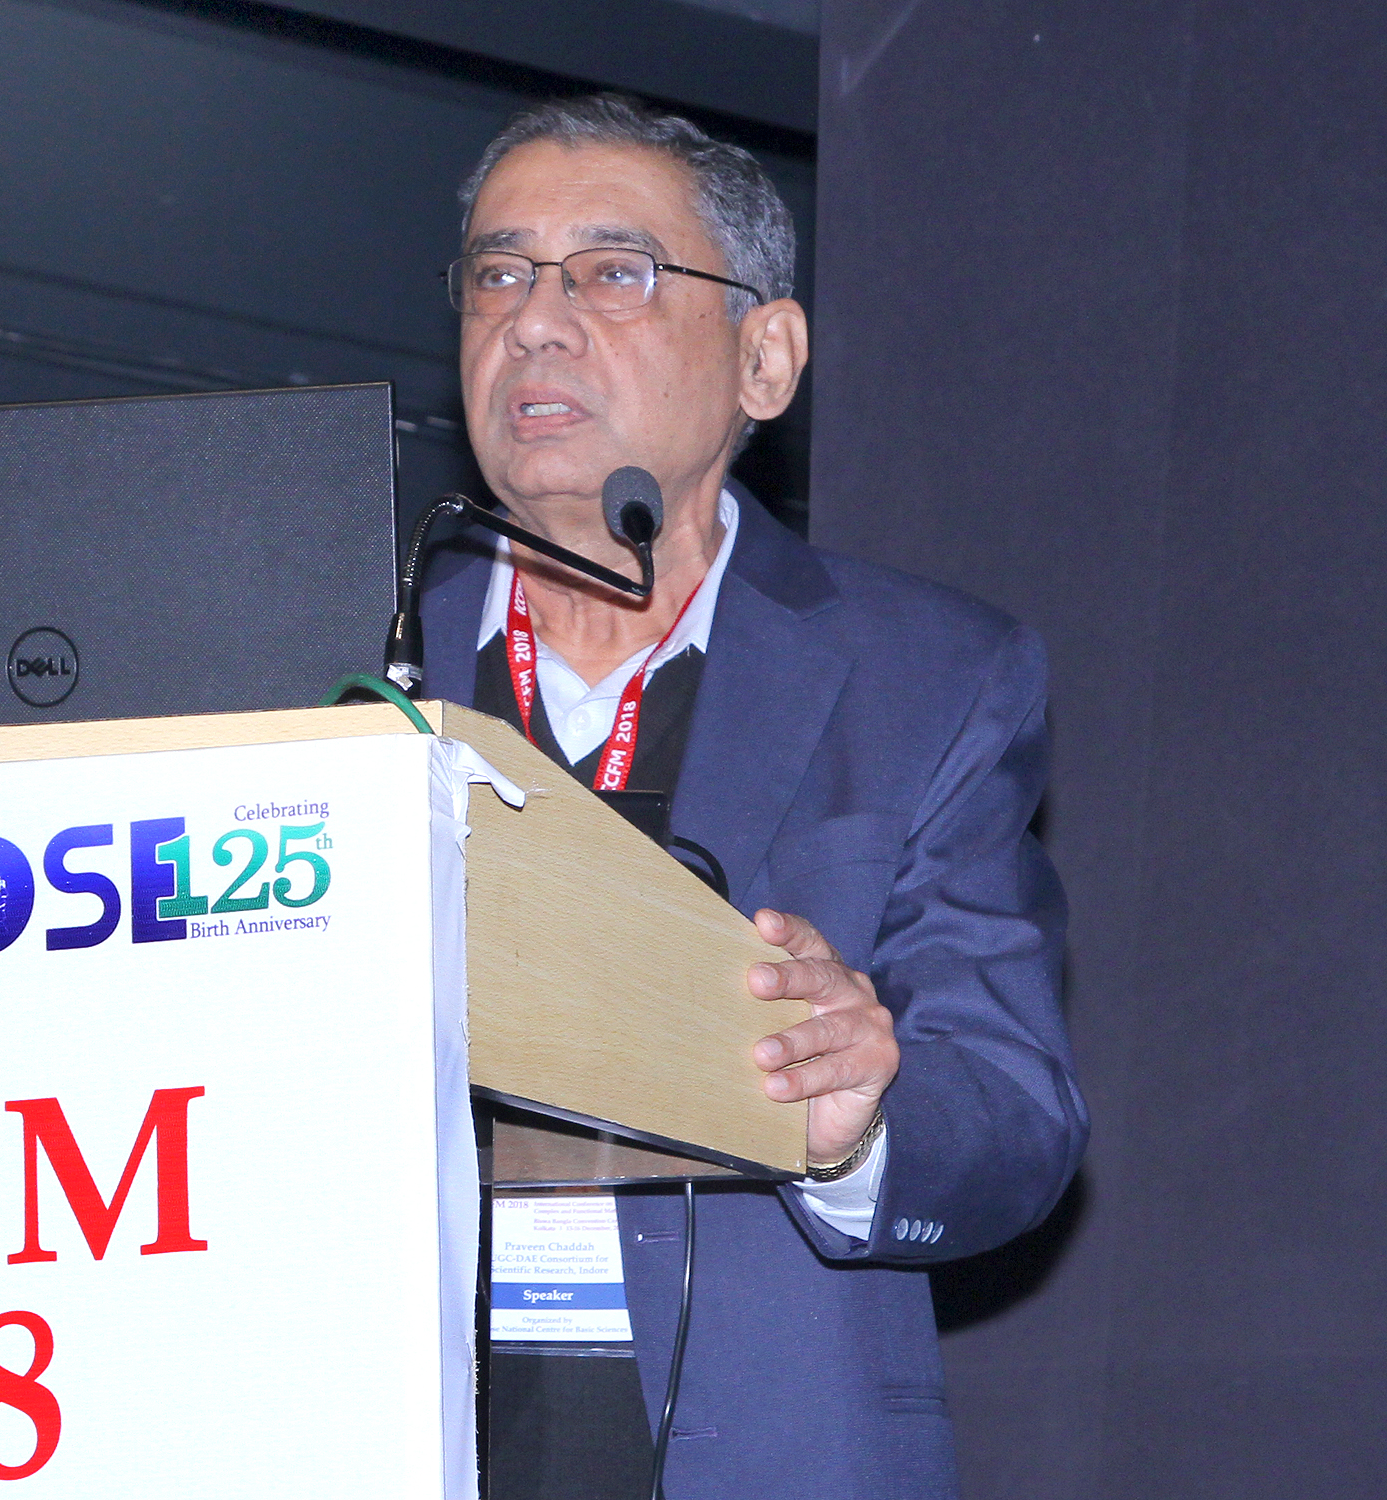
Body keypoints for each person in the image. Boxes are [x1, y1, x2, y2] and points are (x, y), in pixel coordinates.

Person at [422, 95, 1088, 1497]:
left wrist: (859, 1124)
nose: (535, 321)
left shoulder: (928, 675)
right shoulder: (338, 655)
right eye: (499, 272)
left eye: (612, 272)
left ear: (765, 358)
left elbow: (1013, 1114)